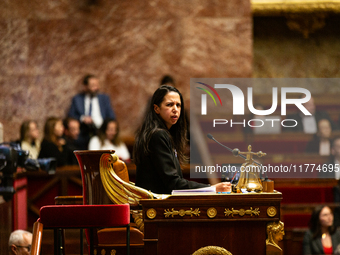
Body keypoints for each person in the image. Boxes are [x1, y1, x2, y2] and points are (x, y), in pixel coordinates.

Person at [134, 85, 228, 194]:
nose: (175, 109)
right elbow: (173, 184)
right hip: (155, 205)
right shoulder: (158, 135)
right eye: (169, 105)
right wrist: (211, 188)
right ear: (156, 109)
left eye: (178, 105)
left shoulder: (163, 134)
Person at [68, 74, 116, 149]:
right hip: (83, 131)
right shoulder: (77, 99)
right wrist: (82, 118)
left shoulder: (104, 98)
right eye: (93, 85)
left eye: (97, 85)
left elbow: (111, 116)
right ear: (85, 87)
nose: (96, 88)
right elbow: (71, 116)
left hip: (101, 131)